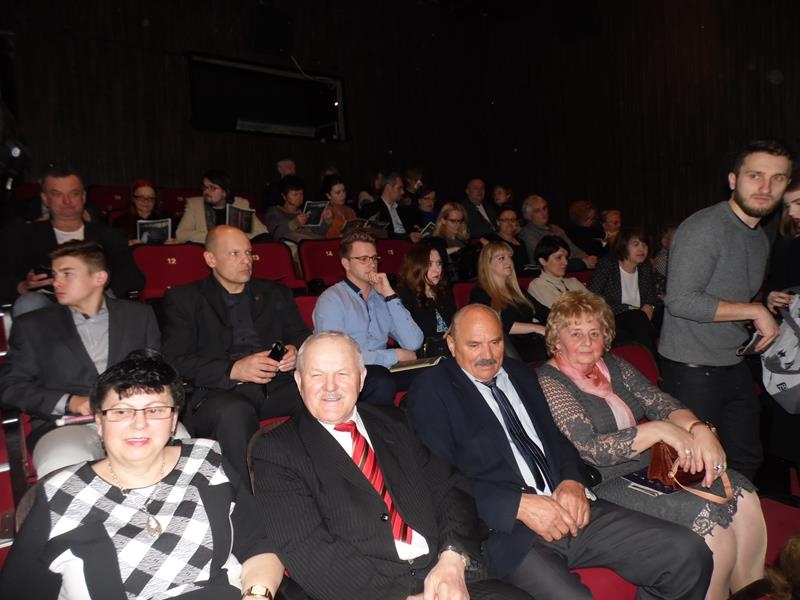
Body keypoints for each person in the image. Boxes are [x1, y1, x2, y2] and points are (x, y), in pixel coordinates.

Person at [405, 304, 713, 600]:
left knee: (687, 553)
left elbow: (557, 440)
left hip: (570, 505)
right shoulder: (431, 390)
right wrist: (517, 505)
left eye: (495, 342)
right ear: (451, 343)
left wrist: (572, 481)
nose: (487, 355)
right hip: (509, 531)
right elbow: (438, 477)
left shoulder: (520, 373)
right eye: (474, 345)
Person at [249, 331, 533, 600]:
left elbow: (451, 489)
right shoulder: (276, 451)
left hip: (446, 575)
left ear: (361, 378)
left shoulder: (394, 422)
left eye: (343, 373)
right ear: (299, 381)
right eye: (317, 375)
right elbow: (309, 552)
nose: (330, 386)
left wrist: (452, 558)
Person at [0, 350, 285, 599]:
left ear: (173, 420)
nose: (139, 424)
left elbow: (258, 543)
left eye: (155, 410)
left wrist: (256, 595)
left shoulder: (205, 460)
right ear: (99, 422)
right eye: (121, 411)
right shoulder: (63, 495)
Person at [537, 290, 766, 600]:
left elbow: (659, 401)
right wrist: (659, 431)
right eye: (576, 333)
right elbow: (590, 448)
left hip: (649, 463)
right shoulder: (550, 380)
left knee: (745, 495)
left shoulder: (612, 365)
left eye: (595, 333)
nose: (587, 342)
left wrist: (698, 429)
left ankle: (753, 593)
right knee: (711, 521)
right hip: (603, 480)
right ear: (557, 340)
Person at [659, 139, 793, 481]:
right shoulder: (704, 228)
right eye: (755, 175)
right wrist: (754, 310)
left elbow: (730, 295)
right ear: (733, 180)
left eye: (777, 178)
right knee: (696, 470)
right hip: (692, 367)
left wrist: (764, 304)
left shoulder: (758, 236)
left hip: (732, 362)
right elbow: (681, 300)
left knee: (746, 460)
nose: (766, 187)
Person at [0, 240, 162, 477]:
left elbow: (157, 372)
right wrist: (70, 402)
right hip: (66, 424)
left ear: (99, 278)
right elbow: (10, 386)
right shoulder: (32, 326)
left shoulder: (139, 316)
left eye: (67, 274)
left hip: (135, 418)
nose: (56, 282)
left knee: (179, 448)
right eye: (55, 275)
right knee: (64, 463)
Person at [162, 225, 310, 480]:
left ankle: (325, 480)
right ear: (210, 259)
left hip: (276, 385)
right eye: (235, 254)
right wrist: (233, 370)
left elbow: (301, 334)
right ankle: (245, 495)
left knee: (320, 393)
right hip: (218, 393)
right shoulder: (184, 299)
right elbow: (175, 361)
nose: (246, 260)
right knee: (235, 413)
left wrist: (295, 351)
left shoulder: (275, 292)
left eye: (248, 253)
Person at [0, 163, 145, 315]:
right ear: (45, 199)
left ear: (83, 197)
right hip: (46, 304)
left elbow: (134, 279)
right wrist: (22, 286)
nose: (67, 201)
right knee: (29, 302)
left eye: (74, 193)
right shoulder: (22, 235)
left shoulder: (109, 236)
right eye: (57, 194)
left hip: (96, 300)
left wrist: (100, 282)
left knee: (109, 300)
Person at [312, 231, 424, 397]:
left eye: (374, 258)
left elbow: (413, 342)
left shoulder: (382, 298)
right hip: (348, 373)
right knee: (381, 380)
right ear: (346, 263)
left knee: (432, 373)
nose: (372, 264)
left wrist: (390, 295)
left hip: (384, 370)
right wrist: (394, 355)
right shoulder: (332, 300)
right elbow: (336, 355)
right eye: (364, 259)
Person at [470, 241, 547, 362]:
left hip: (531, 341)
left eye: (510, 257)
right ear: (488, 264)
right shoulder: (480, 293)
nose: (509, 262)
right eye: (501, 258)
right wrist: (535, 327)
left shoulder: (516, 290)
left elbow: (542, 311)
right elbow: (500, 325)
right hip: (510, 349)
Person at [588, 227, 659, 356]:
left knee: (665, 313)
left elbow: (651, 297)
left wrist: (650, 306)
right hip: (613, 318)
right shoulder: (607, 265)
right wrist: (631, 309)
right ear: (623, 246)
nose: (642, 249)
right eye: (636, 244)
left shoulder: (645, 267)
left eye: (644, 245)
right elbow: (592, 298)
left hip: (640, 319)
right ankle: (653, 362)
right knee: (637, 317)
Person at [175, 169, 268, 244]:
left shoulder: (240, 204)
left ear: (225, 192)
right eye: (205, 187)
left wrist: (233, 237)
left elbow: (262, 231)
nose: (206, 192)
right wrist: (217, 237)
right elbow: (181, 234)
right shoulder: (195, 205)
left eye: (212, 188)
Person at [397, 243, 456, 357]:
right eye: (429, 264)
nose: (437, 269)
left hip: (450, 350)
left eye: (439, 263)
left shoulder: (444, 291)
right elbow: (414, 338)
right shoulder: (405, 296)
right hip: (425, 355)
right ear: (417, 267)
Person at [518, 195, 596, 271]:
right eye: (537, 211)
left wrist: (587, 257)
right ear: (529, 216)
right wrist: (582, 262)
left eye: (544, 208)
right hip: (546, 272)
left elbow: (572, 248)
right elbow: (547, 257)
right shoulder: (527, 233)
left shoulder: (556, 229)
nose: (543, 213)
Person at [764, 166, 800, 307]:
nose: (791, 212)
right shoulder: (787, 241)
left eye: (799, 203)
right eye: (787, 205)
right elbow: (776, 283)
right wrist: (771, 297)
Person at [527, 235, 586, 320]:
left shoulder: (573, 281)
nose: (565, 262)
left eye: (566, 257)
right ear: (543, 261)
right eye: (559, 258)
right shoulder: (537, 285)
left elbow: (596, 305)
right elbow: (559, 315)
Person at [112, 178, 177, 245]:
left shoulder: (169, 219)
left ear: (155, 200)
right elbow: (114, 246)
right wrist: (128, 244)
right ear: (133, 199)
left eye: (150, 198)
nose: (146, 201)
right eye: (141, 197)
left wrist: (176, 241)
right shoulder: (120, 222)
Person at [360, 172, 421, 241]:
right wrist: (407, 236)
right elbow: (378, 234)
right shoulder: (371, 209)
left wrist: (416, 231)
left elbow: (410, 229)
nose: (402, 192)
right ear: (388, 188)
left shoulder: (403, 210)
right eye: (399, 188)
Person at [264, 175, 328, 241]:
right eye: (295, 194)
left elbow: (319, 233)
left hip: (313, 243)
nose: (299, 197)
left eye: (301, 194)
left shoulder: (305, 211)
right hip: (293, 244)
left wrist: (325, 221)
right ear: (284, 196)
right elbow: (275, 234)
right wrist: (295, 223)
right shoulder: (274, 211)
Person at [430, 201, 474, 282]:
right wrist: (453, 249)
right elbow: (431, 257)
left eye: (459, 221)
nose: (457, 225)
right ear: (443, 220)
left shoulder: (464, 239)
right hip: (450, 282)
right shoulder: (436, 240)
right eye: (453, 221)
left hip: (469, 279)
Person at [481, 208, 529, 276]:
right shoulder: (491, 240)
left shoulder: (521, 242)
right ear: (498, 222)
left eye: (513, 220)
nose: (509, 223)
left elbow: (526, 266)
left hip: (524, 277)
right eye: (505, 220)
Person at [320, 173, 357, 238]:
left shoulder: (350, 211)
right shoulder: (325, 211)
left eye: (344, 191)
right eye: (338, 193)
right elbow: (321, 235)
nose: (343, 195)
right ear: (328, 195)